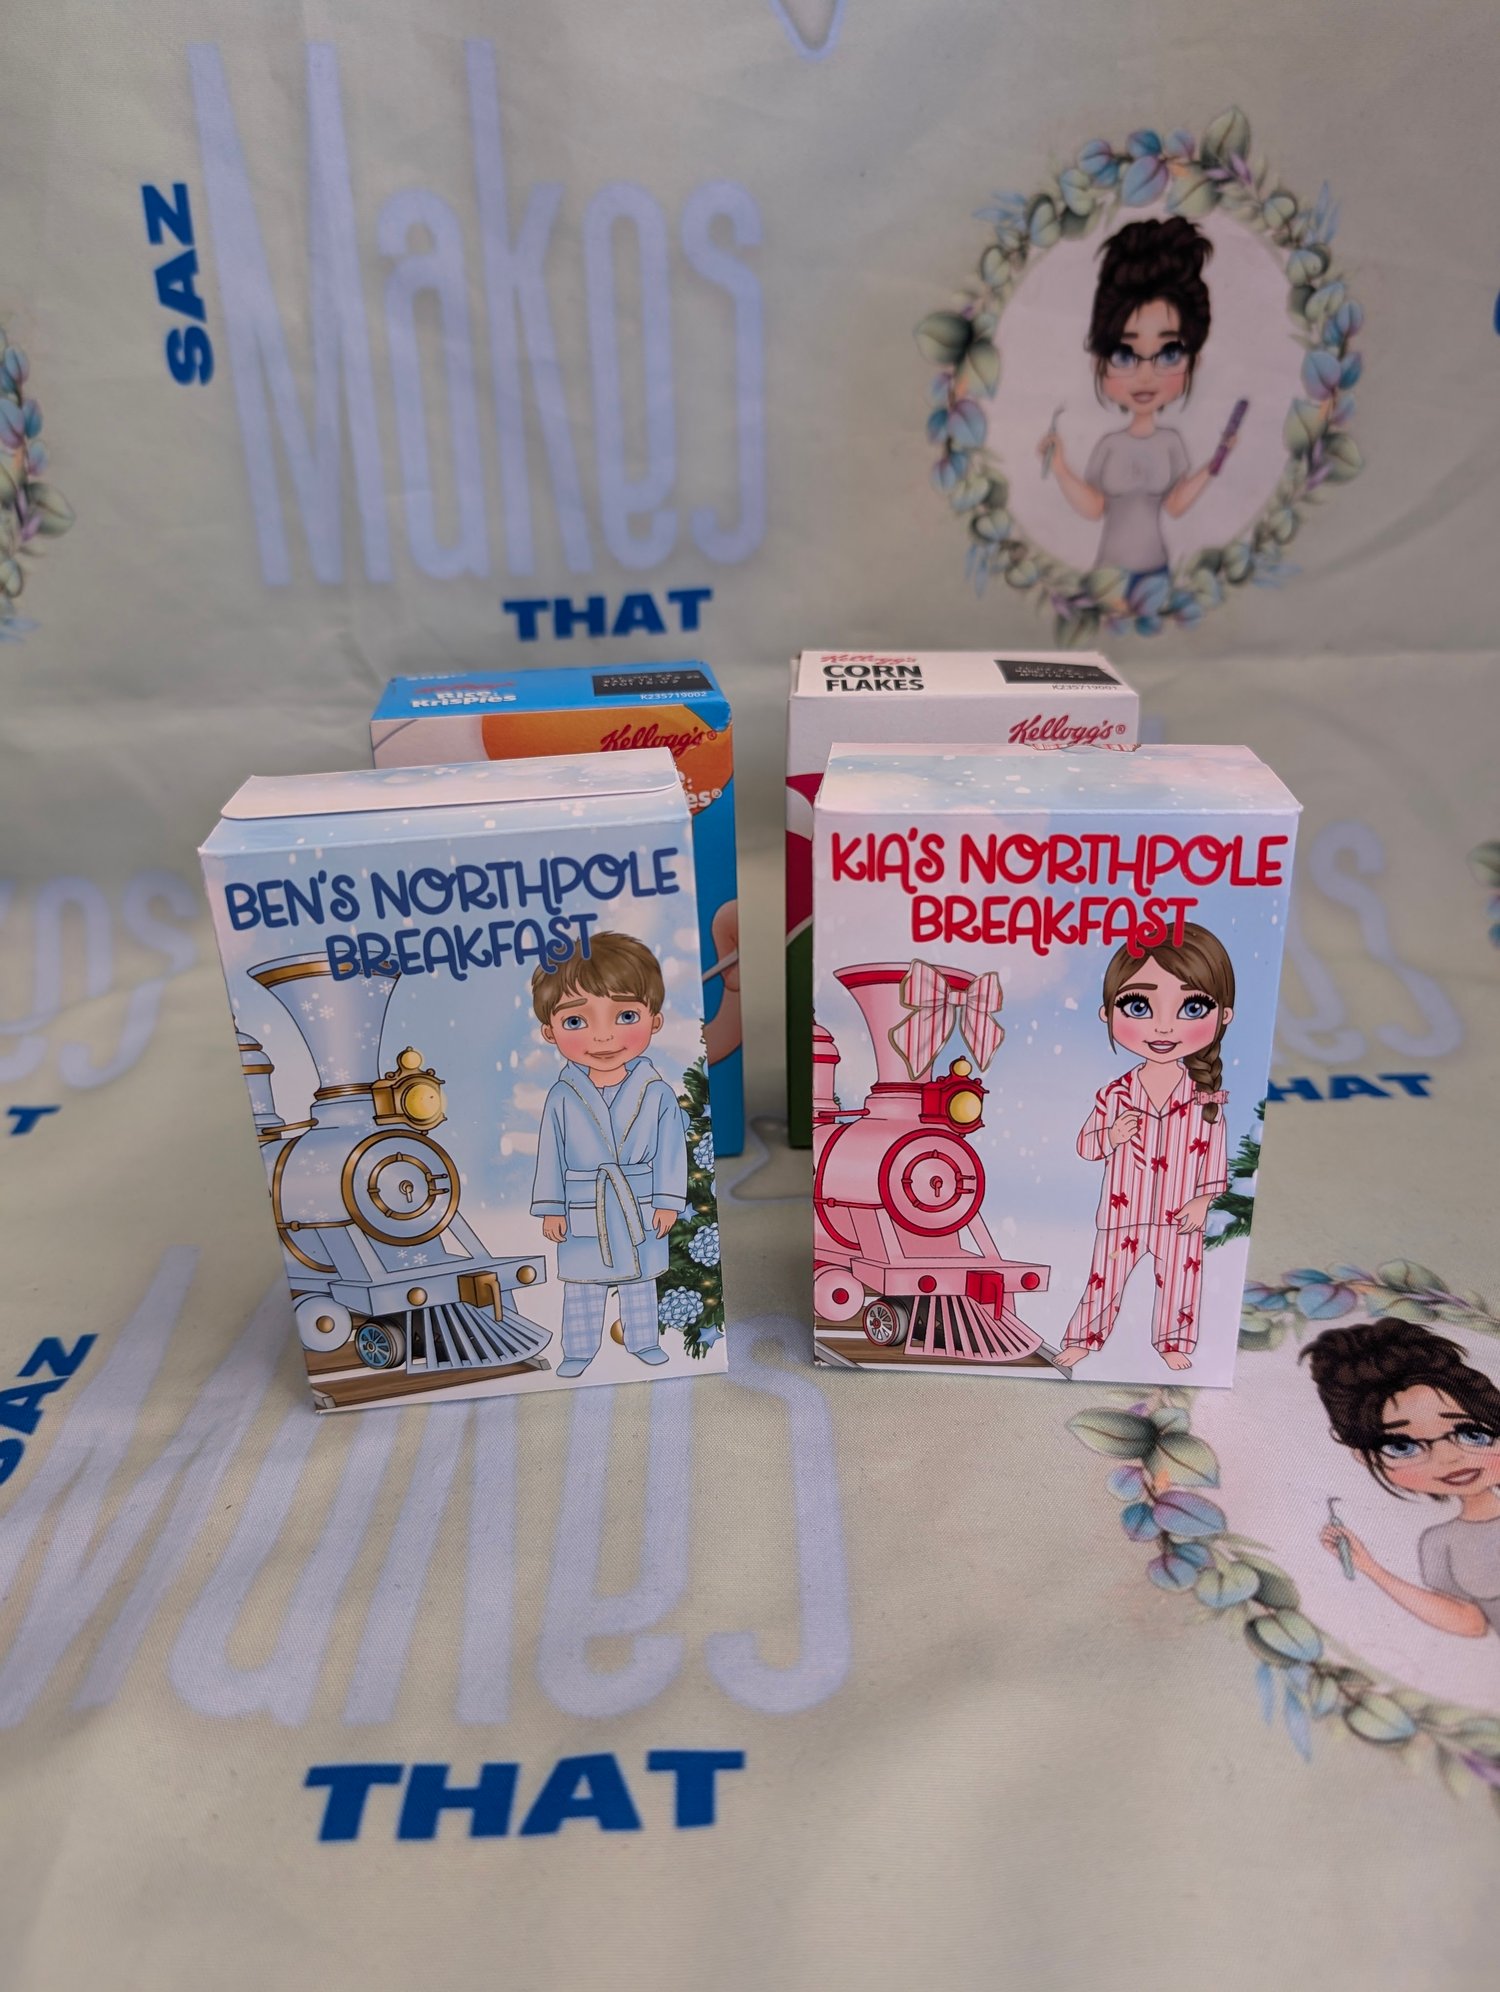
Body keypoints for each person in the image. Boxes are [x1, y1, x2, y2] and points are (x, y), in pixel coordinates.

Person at [1054, 924, 1233, 1373]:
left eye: (1192, 1007)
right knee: (1104, 1280)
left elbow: (1215, 1154)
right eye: (1138, 1006)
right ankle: (1082, 1340)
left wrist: (1203, 1199)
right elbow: (1086, 1145)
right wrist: (1111, 1136)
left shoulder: (1205, 1097)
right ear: (1107, 1013)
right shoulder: (1113, 1094)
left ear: (1224, 1016)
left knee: (1180, 1283)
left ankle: (1174, 1342)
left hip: (1179, 1213)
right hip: (1124, 1212)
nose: (1163, 1025)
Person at [1038, 216, 1233, 589]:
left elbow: (1175, 505)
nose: (1145, 376)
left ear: (1194, 362)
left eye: (1169, 353)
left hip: (1157, 574)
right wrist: (1061, 467)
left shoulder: (1171, 443)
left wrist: (1215, 462)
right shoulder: (1110, 445)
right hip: (1107, 577)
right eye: (1125, 355)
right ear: (1098, 363)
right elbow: (1095, 507)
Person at [530, 932, 688, 1378]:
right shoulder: (562, 1095)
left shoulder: (656, 1092)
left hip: (638, 1200)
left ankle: (644, 1342)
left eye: (626, 1015)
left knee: (641, 1280)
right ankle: (578, 1351)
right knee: (583, 1283)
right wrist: (552, 1208)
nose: (603, 1035)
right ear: (549, 1031)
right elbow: (550, 1153)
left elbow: (671, 1151)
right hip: (585, 1202)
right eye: (576, 1021)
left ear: (655, 1020)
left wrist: (668, 1201)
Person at [1305, 1320, 1500, 1639]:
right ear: (1364, 1456)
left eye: (1471, 1433)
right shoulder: (1440, 1543)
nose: (1448, 1458)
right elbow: (1471, 1623)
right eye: (1403, 1447)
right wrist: (1370, 1567)